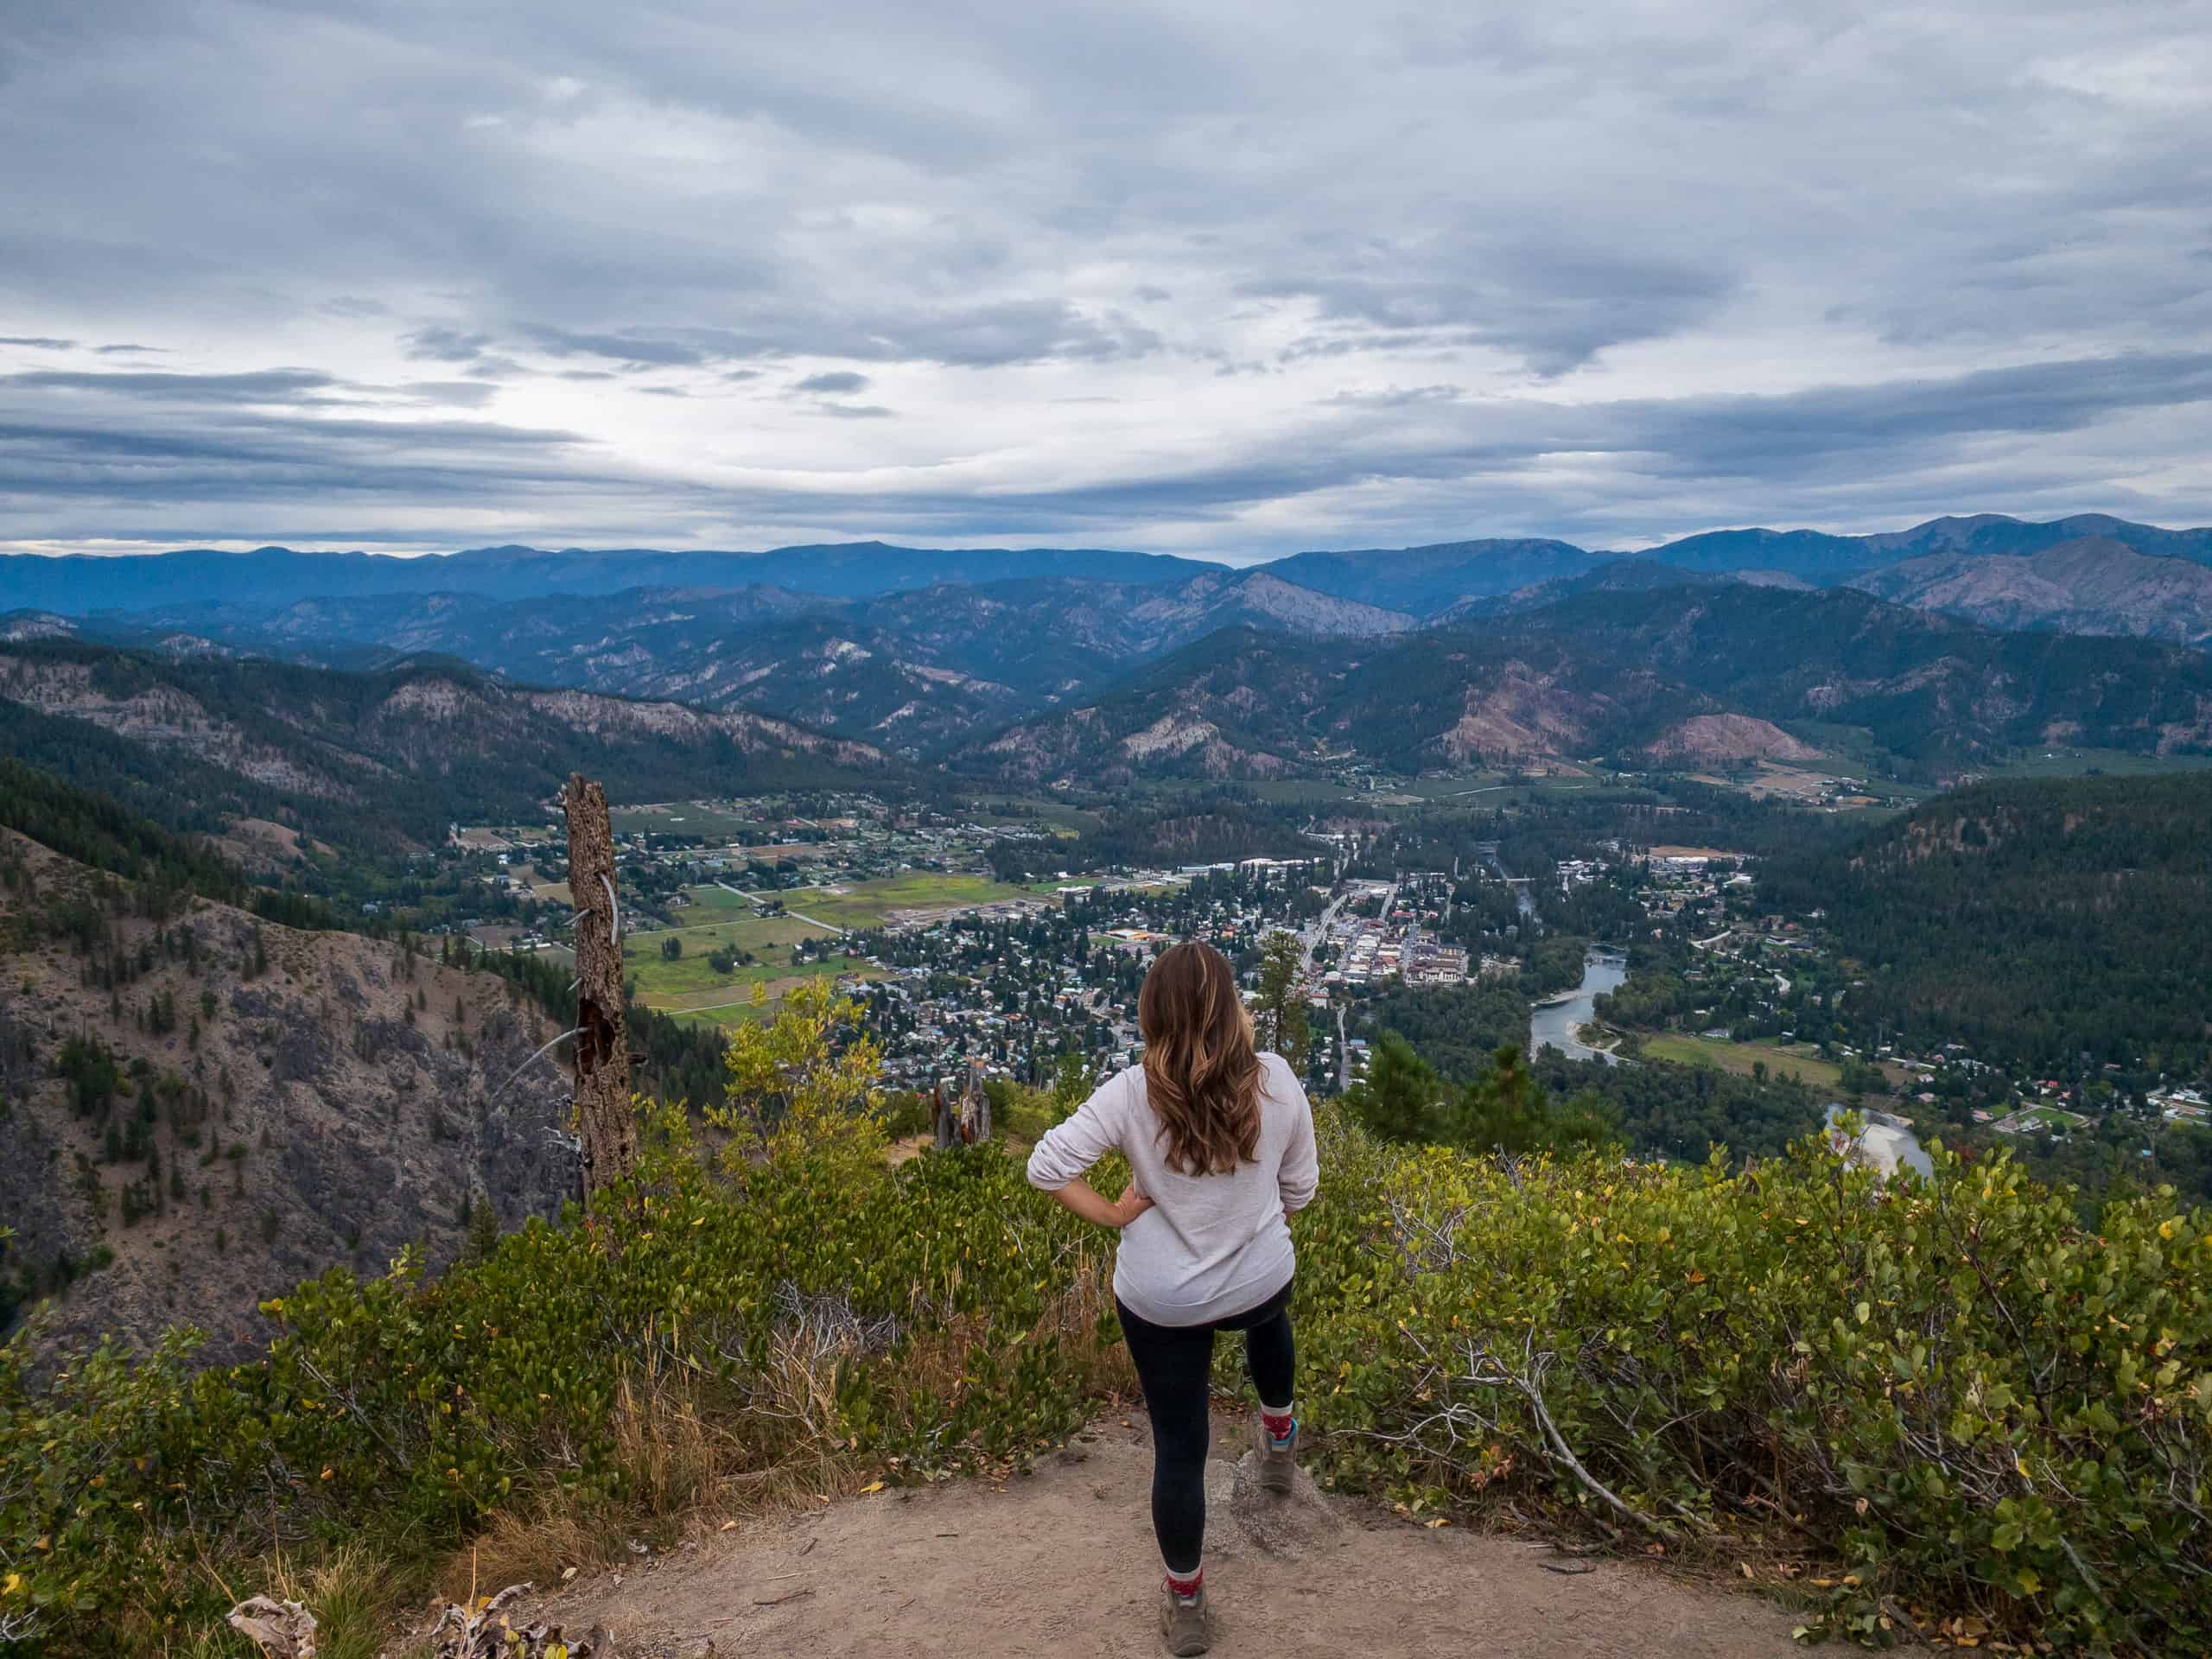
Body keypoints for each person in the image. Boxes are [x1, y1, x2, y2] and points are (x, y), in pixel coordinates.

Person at [1027, 938, 1319, 1657]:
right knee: (1268, 1313)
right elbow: (1301, 1192)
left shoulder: (1130, 1094)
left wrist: (1115, 1213)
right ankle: (1278, 1437)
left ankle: (1186, 1605)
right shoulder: (1276, 1081)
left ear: (1152, 1012)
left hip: (1165, 1300)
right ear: (1233, 1010)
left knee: (1181, 1450)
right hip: (1255, 1283)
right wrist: (1255, 1221)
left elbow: (1046, 1166)